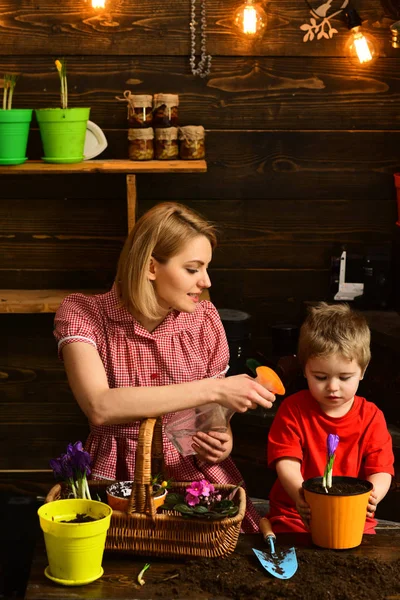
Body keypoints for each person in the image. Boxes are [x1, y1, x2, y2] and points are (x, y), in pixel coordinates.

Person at [54, 201, 276, 532]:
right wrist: (216, 388)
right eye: (193, 269)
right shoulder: (84, 314)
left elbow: (209, 417)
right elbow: (100, 406)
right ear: (150, 267)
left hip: (192, 480)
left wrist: (220, 438)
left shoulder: (205, 319)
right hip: (117, 479)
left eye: (206, 268)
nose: (206, 281)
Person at [266, 302, 394, 534]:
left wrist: (373, 495)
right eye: (321, 377)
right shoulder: (293, 410)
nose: (332, 387)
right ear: (305, 370)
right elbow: (286, 460)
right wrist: (300, 494)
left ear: (363, 371)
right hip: (297, 513)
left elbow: (382, 468)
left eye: (345, 378)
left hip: (352, 515)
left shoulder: (372, 416)